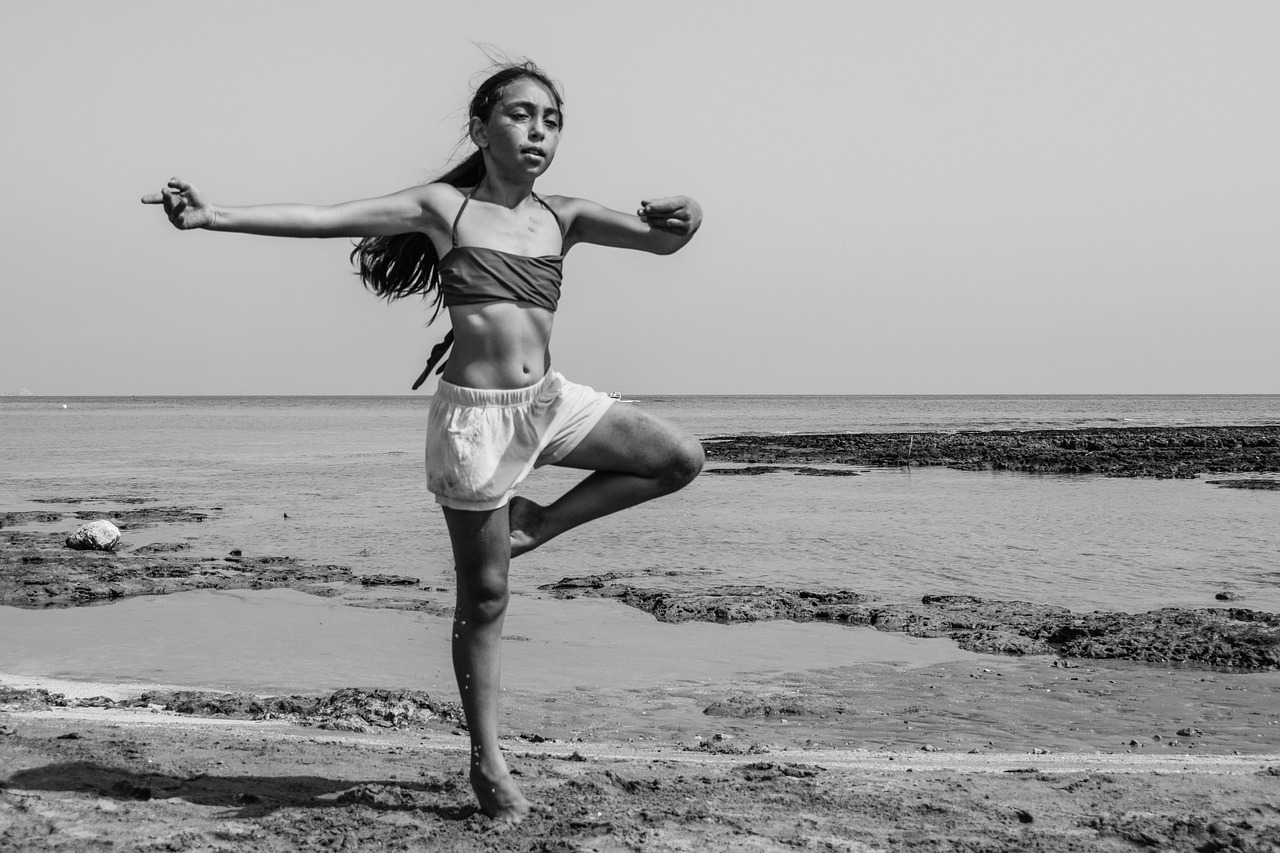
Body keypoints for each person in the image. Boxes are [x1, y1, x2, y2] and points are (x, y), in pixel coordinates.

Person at [142, 61, 704, 821]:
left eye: (552, 120)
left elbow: (665, 241)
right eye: (520, 115)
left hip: (547, 401)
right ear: (481, 128)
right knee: (487, 596)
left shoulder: (563, 216)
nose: (538, 130)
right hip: (475, 423)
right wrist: (214, 216)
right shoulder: (445, 208)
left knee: (678, 456)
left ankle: (537, 521)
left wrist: (691, 211)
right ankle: (488, 762)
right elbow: (325, 216)